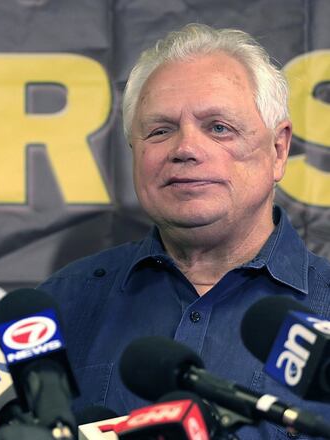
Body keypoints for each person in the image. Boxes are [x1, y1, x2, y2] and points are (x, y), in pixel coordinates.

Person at [39, 23, 330, 439]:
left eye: (218, 127)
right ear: (134, 153)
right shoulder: (59, 306)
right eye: (160, 130)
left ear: (278, 150)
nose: (186, 149)